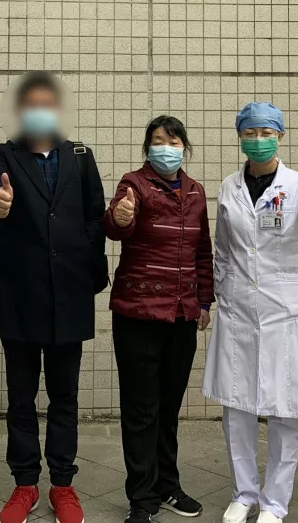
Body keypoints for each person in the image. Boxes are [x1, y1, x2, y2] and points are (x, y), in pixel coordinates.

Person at [0, 71, 108, 523]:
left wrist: (89, 271)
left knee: (64, 397)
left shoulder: (80, 155)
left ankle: (63, 484)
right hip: (19, 294)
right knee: (21, 397)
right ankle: (25, 484)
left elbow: (95, 216)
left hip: (69, 292)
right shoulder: (1, 154)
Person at [203, 102, 298, 523]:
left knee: (285, 410)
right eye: (250, 133)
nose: (258, 140)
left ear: (280, 136)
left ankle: (275, 503)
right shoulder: (228, 187)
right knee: (237, 407)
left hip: (285, 313)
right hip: (238, 310)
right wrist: (220, 293)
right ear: (240, 137)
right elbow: (223, 248)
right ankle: (243, 494)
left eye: (266, 133)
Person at [103, 115, 214, 523]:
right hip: (138, 314)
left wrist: (204, 302)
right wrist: (120, 218)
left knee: (168, 408)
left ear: (185, 147)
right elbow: (116, 226)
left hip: (182, 316)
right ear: (147, 148)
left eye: (173, 141)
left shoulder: (196, 191)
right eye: (157, 141)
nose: (165, 148)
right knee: (141, 410)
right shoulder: (133, 184)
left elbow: (203, 251)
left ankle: (168, 485)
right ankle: (141, 497)